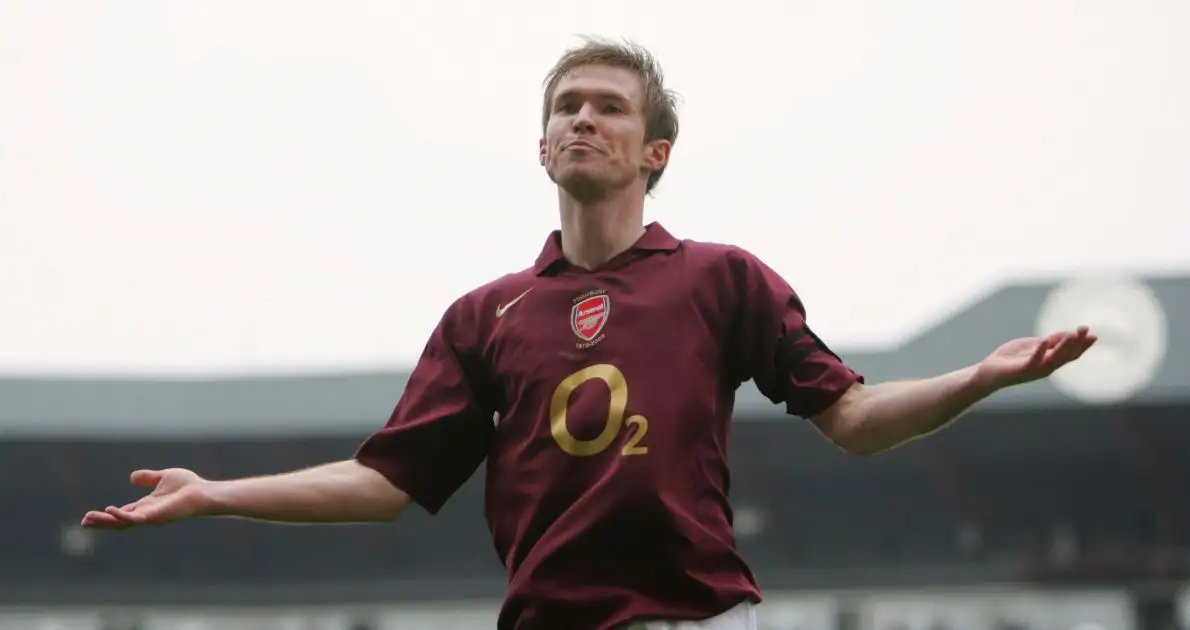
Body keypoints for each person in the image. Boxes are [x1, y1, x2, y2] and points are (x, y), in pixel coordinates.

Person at [81, 37, 1097, 630]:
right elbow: (387, 482)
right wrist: (215, 495)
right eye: (566, 107)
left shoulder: (719, 279)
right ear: (540, 146)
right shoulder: (487, 317)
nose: (583, 120)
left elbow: (855, 417)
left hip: (692, 620)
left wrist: (981, 376)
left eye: (609, 108)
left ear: (654, 151)